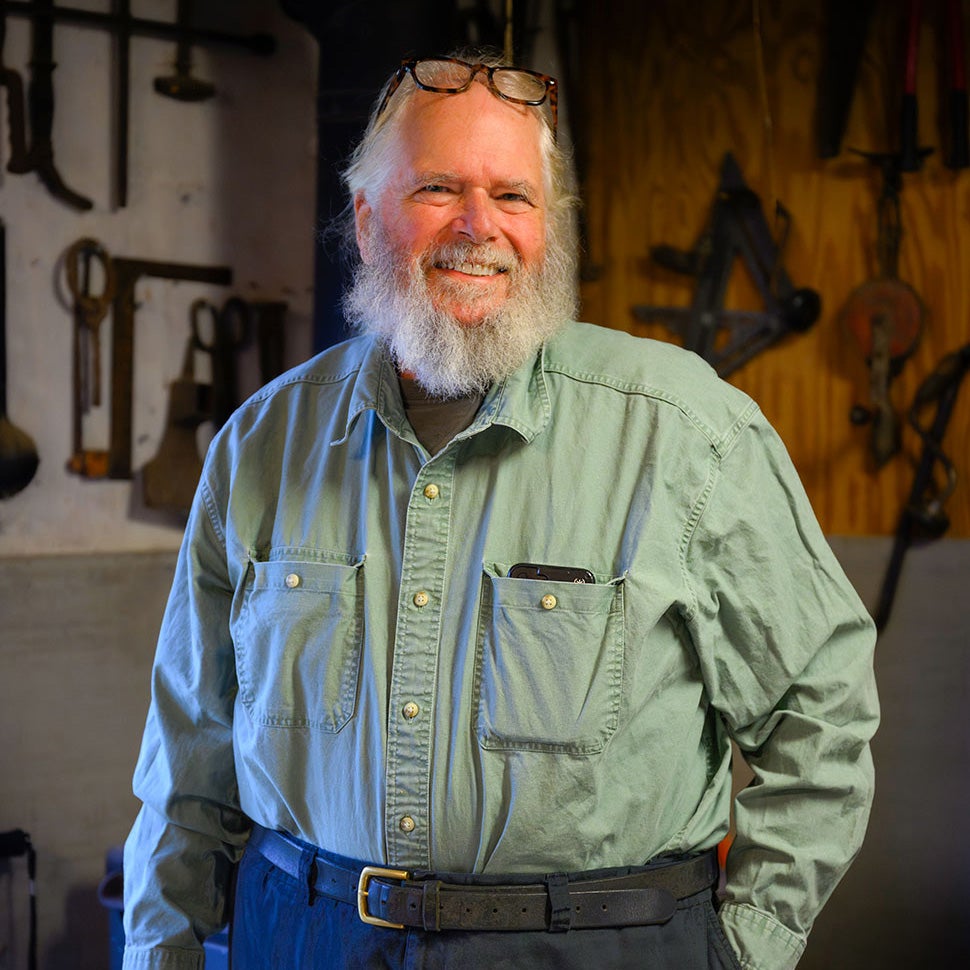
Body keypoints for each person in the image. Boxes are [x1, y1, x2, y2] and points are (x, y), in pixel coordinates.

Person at [122, 49, 879, 970]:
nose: (479, 227)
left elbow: (824, 712)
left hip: (604, 948)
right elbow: (187, 755)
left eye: (514, 198)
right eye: (439, 188)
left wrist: (742, 947)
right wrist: (158, 949)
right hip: (301, 938)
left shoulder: (689, 435)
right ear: (366, 221)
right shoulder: (259, 445)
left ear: (547, 232)